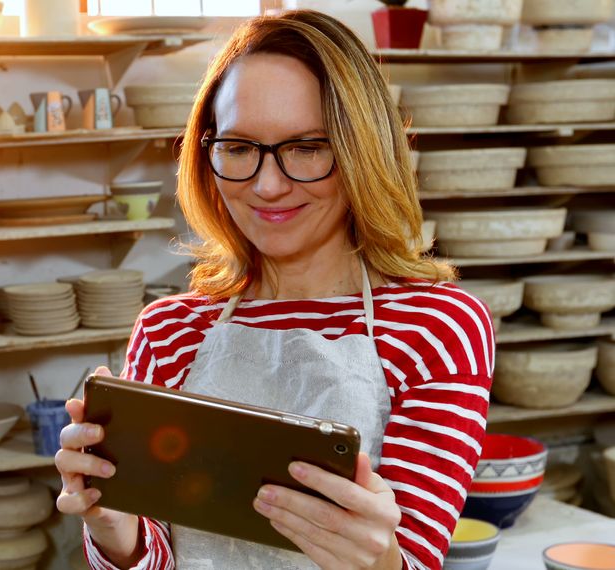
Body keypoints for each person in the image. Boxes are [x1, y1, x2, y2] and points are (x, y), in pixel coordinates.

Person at [54, 10, 494, 570]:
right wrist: (117, 526)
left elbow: (413, 558)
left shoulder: (437, 327)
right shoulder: (168, 332)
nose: (267, 185)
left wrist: (377, 558)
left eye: (306, 147)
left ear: (363, 151)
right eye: (238, 147)